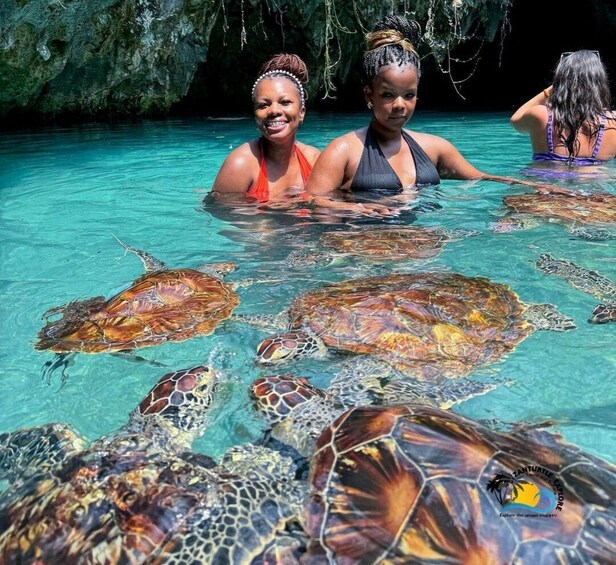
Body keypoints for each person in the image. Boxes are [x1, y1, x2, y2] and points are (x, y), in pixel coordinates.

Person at [306, 15, 571, 213]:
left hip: (418, 246)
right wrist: (355, 209)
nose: (399, 105)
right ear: (368, 95)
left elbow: (480, 177)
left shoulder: (434, 148)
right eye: (387, 95)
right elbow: (311, 202)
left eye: (409, 95)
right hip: (363, 248)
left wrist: (537, 187)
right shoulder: (343, 151)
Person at [212, 53, 320, 201]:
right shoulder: (240, 165)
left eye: (285, 102)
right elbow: (220, 211)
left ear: (302, 113)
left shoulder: (314, 161)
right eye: (263, 105)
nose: (274, 111)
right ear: (255, 115)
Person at [510, 50, 616, 166]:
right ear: (600, 83)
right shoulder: (613, 122)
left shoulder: (541, 114)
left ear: (560, 81)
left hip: (544, 176)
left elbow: (515, 120)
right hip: (596, 177)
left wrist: (551, 90)